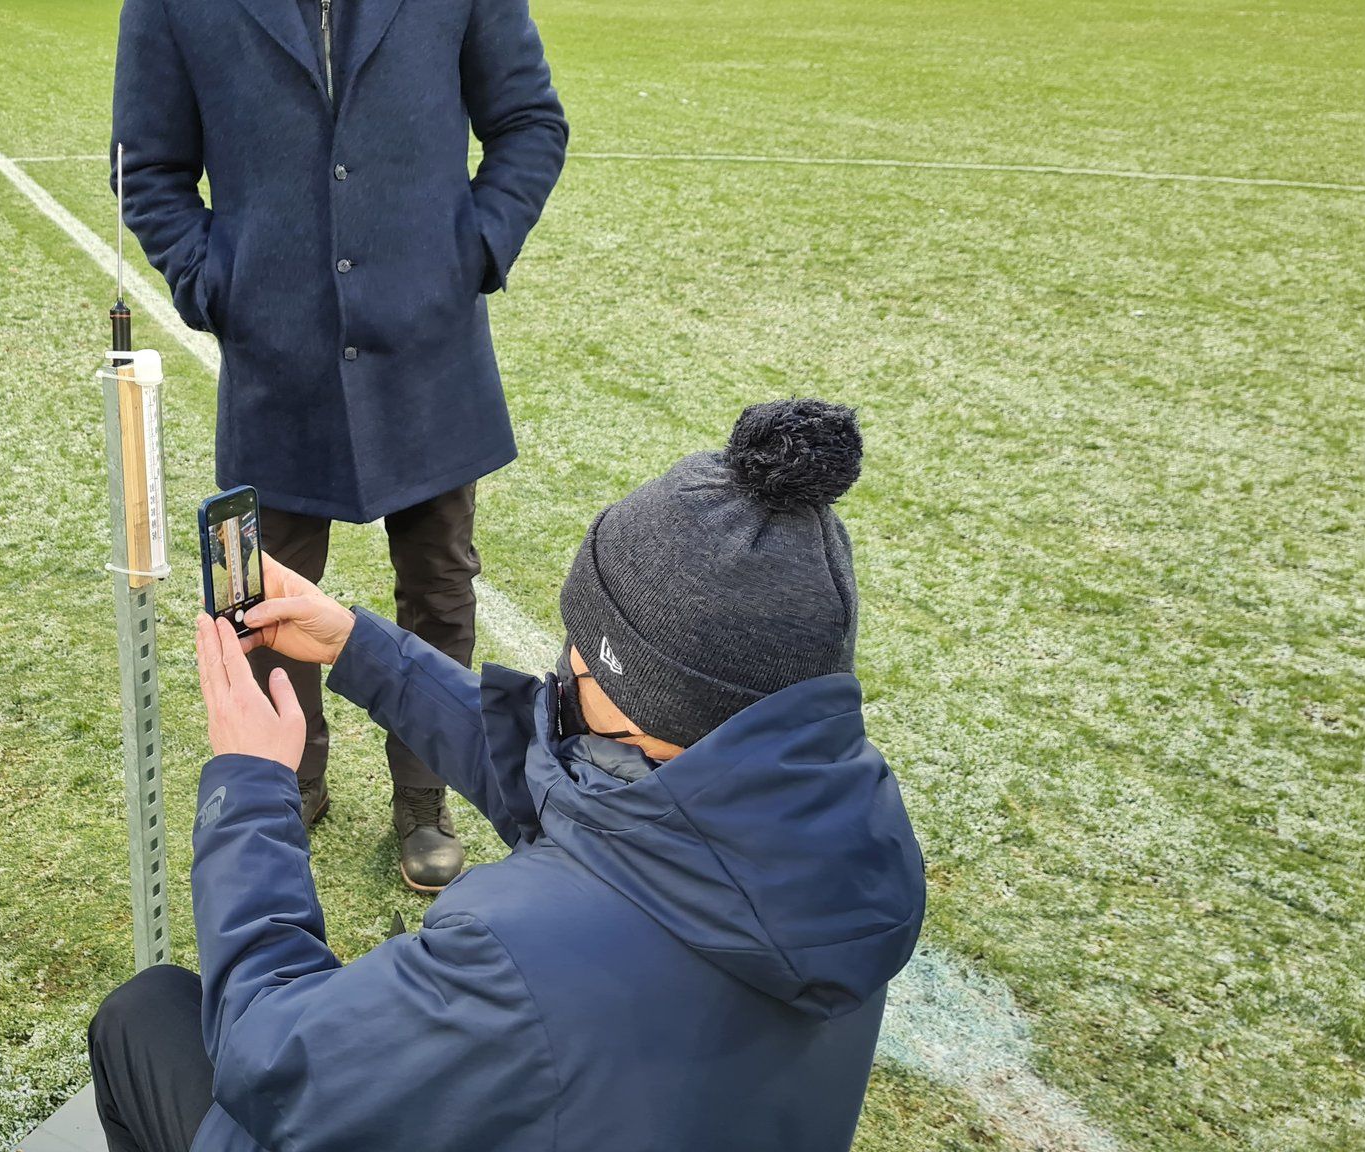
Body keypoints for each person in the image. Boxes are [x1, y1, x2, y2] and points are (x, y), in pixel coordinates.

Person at [86, 400, 927, 1151]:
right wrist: (359, 648)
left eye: (578, 646)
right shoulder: (853, 833)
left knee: (145, 1016)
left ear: (629, 689)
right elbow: (568, 793)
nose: (561, 663)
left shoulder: (518, 956)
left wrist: (253, 788)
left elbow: (272, 1057)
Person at [113, 0, 570, 890]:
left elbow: (529, 121)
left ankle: (423, 798)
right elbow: (148, 168)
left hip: (429, 349)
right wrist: (217, 283)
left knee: (439, 588)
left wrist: (474, 248)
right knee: (265, 596)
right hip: (273, 361)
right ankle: (291, 779)